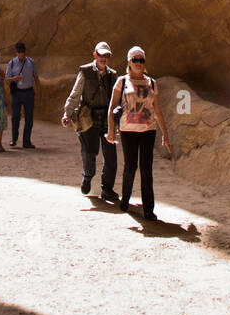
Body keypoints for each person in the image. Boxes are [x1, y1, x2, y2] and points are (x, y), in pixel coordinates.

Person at [105, 45, 171, 221]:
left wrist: (165, 134)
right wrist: (111, 130)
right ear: (129, 62)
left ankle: (148, 209)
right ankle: (125, 200)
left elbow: (157, 110)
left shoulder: (152, 83)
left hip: (148, 130)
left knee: (146, 169)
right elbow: (112, 108)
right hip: (128, 130)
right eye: (135, 59)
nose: (139, 63)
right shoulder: (122, 81)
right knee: (130, 167)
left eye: (141, 60)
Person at [61, 40, 120, 201]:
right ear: (95, 55)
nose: (104, 58)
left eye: (107, 55)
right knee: (89, 152)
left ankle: (107, 188)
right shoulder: (85, 72)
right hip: (88, 118)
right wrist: (67, 113)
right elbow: (75, 94)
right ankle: (87, 177)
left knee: (111, 157)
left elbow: (117, 100)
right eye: (101, 55)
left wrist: (118, 121)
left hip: (107, 119)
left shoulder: (112, 75)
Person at [5, 41, 41, 148]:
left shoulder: (31, 62)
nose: (21, 54)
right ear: (16, 52)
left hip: (29, 92)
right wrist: (15, 78)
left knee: (29, 118)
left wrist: (39, 91)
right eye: (19, 52)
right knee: (15, 117)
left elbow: (35, 77)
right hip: (17, 93)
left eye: (23, 52)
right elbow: (7, 80)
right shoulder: (11, 63)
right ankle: (14, 139)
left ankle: (26, 141)